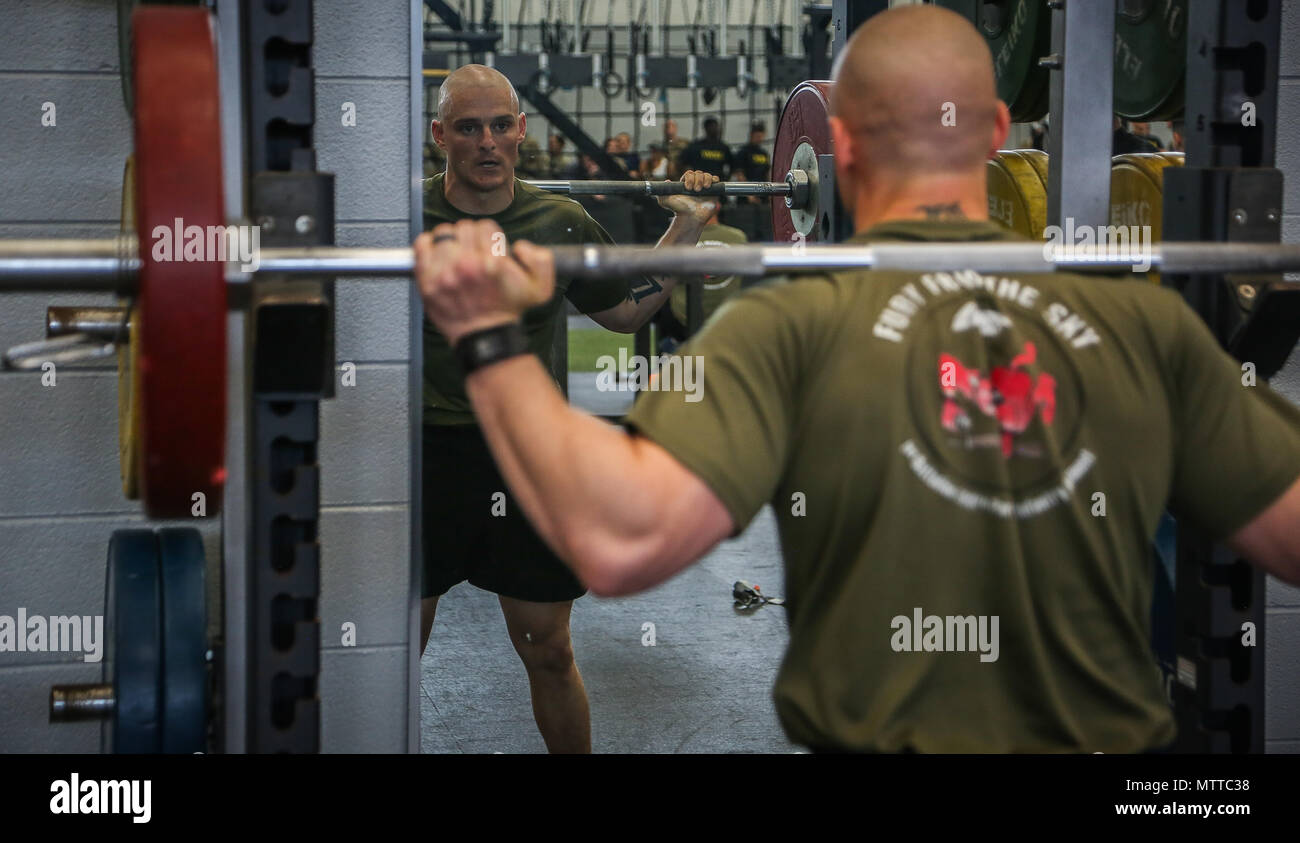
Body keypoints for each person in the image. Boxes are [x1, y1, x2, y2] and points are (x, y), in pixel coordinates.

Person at [412, 7, 1300, 753]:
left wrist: (488, 336)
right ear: (997, 135)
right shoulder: (1144, 325)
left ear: (830, 145)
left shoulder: (784, 327)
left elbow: (624, 543)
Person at [421, 64, 720, 754]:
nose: (487, 142)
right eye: (468, 128)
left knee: (549, 648)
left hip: (528, 454)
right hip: (424, 454)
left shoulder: (557, 218)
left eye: (501, 125)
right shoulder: (403, 215)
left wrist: (688, 232)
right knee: (388, 650)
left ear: (522, 130)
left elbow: (624, 311)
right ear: (441, 136)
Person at [679, 116, 732, 181]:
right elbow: (683, 162)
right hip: (699, 182)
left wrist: (727, 179)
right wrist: (690, 175)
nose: (716, 129)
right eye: (713, 127)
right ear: (706, 128)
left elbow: (733, 166)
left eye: (717, 127)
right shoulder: (695, 146)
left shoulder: (723, 147)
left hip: (718, 182)